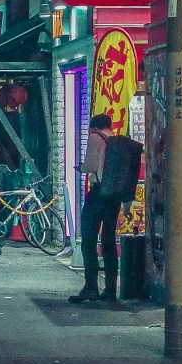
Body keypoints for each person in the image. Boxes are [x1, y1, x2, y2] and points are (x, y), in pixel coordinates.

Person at [70, 111, 126, 304]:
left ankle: (91, 287)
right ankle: (110, 290)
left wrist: (81, 167)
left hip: (98, 193)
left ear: (93, 127)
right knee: (108, 240)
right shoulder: (117, 140)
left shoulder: (95, 137)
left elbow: (91, 166)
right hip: (114, 195)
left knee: (88, 240)